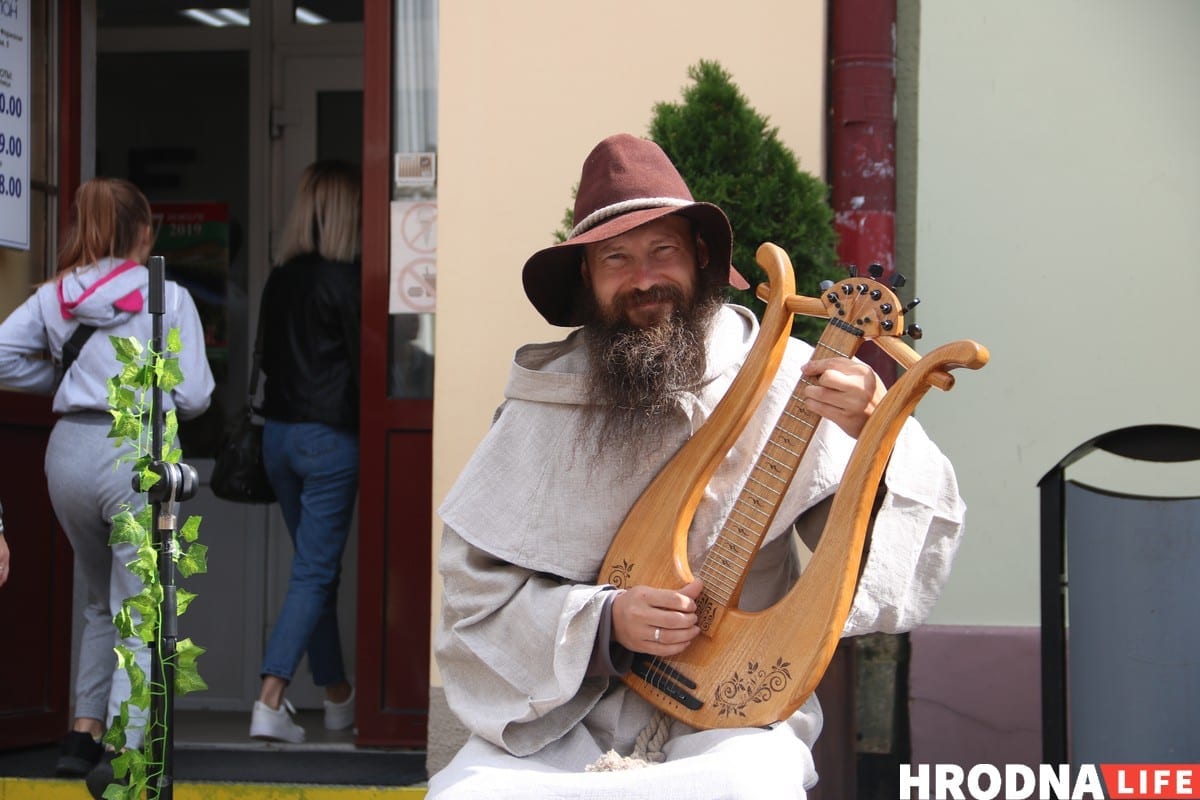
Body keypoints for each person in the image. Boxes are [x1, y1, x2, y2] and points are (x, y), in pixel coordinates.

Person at [427, 134, 967, 799]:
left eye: (663, 251)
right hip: (570, 718)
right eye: (616, 259)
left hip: (733, 716)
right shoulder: (546, 402)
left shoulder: (790, 379)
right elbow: (475, 597)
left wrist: (873, 428)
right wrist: (603, 622)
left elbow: (873, 556)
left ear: (700, 257)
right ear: (587, 281)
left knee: (745, 789)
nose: (644, 278)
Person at [0, 177, 215, 776]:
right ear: (144, 232)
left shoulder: (55, 296)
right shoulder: (168, 296)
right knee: (142, 604)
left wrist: (62, 383)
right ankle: (123, 751)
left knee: (103, 597)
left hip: (67, 453)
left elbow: (1, 354)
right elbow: (195, 393)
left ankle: (82, 732)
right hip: (136, 452)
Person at [248, 160, 361, 743]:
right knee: (314, 572)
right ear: (349, 213)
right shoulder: (348, 283)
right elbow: (371, 370)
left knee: (315, 573)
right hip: (328, 441)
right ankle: (270, 700)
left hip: (279, 439)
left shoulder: (280, 278)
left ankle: (338, 696)